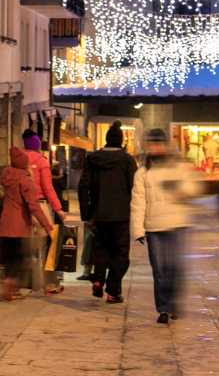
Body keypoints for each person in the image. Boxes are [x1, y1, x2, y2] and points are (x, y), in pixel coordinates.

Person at [130, 128, 202, 324]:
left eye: (159, 143)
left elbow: (194, 189)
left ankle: (174, 302)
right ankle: (163, 308)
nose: (155, 147)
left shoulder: (179, 167)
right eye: (152, 144)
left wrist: (178, 187)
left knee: (175, 267)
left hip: (177, 224)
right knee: (160, 269)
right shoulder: (142, 173)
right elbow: (138, 203)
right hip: (154, 227)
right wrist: (137, 229)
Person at [78, 120, 137, 303]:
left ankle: (98, 279)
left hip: (99, 214)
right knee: (120, 254)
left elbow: (83, 186)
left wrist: (86, 213)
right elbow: (134, 188)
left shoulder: (93, 159)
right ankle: (112, 291)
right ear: (120, 141)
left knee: (101, 250)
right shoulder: (127, 161)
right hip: (121, 215)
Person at [0, 146, 53, 301]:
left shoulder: (7, 176)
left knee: (9, 257)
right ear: (24, 163)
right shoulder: (25, 180)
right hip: (19, 225)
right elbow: (33, 206)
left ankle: (8, 283)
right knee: (19, 257)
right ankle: (11, 287)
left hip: (5, 224)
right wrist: (47, 226)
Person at [21, 129, 65, 294]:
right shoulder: (41, 161)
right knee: (48, 245)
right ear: (37, 144)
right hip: (40, 206)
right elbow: (48, 188)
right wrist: (58, 208)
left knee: (27, 245)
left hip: (23, 207)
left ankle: (28, 282)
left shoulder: (18, 160)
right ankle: (49, 283)